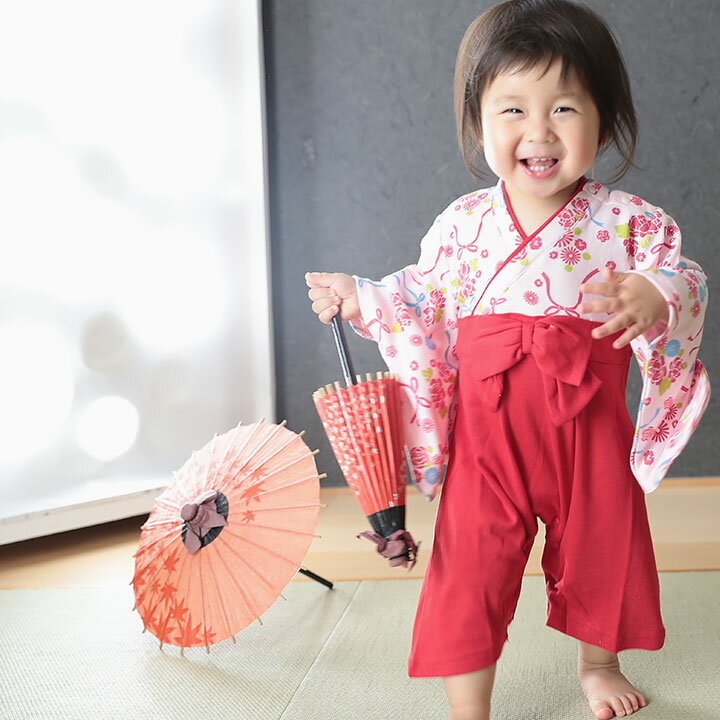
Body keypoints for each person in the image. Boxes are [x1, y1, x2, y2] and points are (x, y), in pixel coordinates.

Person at [305, 1, 710, 718]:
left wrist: (653, 293)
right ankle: (470, 703)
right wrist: (362, 298)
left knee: (603, 546)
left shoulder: (630, 222)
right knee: (469, 567)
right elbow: (422, 299)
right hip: (489, 434)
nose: (538, 133)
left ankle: (599, 662)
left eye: (563, 108)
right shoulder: (464, 224)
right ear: (479, 122)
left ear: (605, 122)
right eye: (513, 110)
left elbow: (682, 276)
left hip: (589, 424)